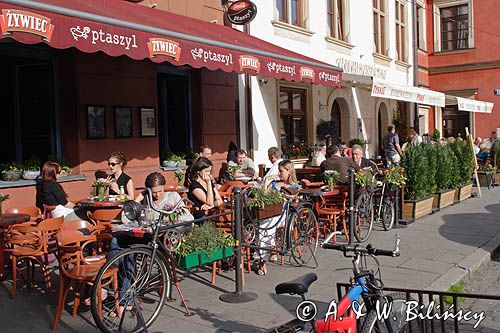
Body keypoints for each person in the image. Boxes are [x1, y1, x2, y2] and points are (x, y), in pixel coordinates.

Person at [256, 160, 300, 275]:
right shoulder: (276, 183)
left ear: (289, 171)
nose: (279, 174)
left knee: (265, 226)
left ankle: (262, 260)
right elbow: (264, 196)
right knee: (265, 223)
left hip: (284, 214)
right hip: (271, 212)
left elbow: (292, 198)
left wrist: (283, 195)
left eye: (281, 171)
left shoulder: (294, 186)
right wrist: (266, 180)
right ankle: (266, 254)